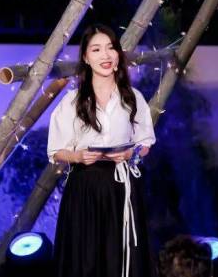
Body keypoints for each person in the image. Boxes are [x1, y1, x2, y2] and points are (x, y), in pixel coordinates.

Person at [48, 23, 157, 277]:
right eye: (96, 50)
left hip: (121, 186)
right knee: (86, 259)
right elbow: (55, 151)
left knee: (120, 257)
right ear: (86, 58)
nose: (105, 55)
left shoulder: (133, 97)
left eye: (110, 48)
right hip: (85, 188)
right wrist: (77, 156)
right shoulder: (72, 101)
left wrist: (131, 154)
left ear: (118, 54)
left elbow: (145, 143)